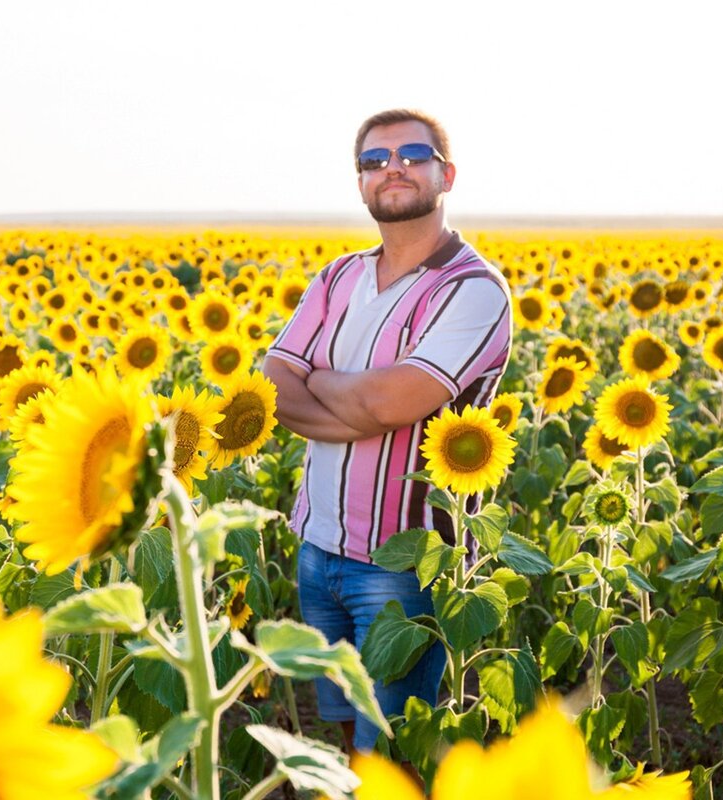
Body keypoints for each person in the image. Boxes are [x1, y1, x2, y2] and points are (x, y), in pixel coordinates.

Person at [261, 109, 513, 753]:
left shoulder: (472, 289)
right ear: (361, 185)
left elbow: (397, 399)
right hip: (316, 546)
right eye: (374, 161)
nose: (392, 169)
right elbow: (276, 388)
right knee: (345, 737)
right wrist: (361, 403)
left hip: (404, 565)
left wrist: (325, 382)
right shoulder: (338, 276)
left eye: (411, 155)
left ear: (445, 173)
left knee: (392, 754)